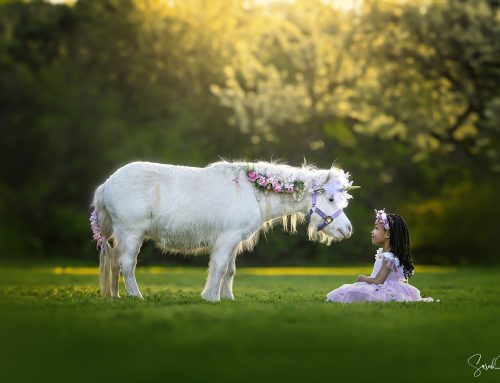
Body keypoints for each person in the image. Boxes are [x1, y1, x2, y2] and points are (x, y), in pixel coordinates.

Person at [326, 209, 435, 303]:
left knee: (350, 292)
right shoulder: (385, 253)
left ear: (387, 234)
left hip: (384, 288)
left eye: (376, 228)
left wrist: (363, 278)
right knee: (349, 292)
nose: (372, 232)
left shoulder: (389, 257)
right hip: (383, 286)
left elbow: (379, 281)